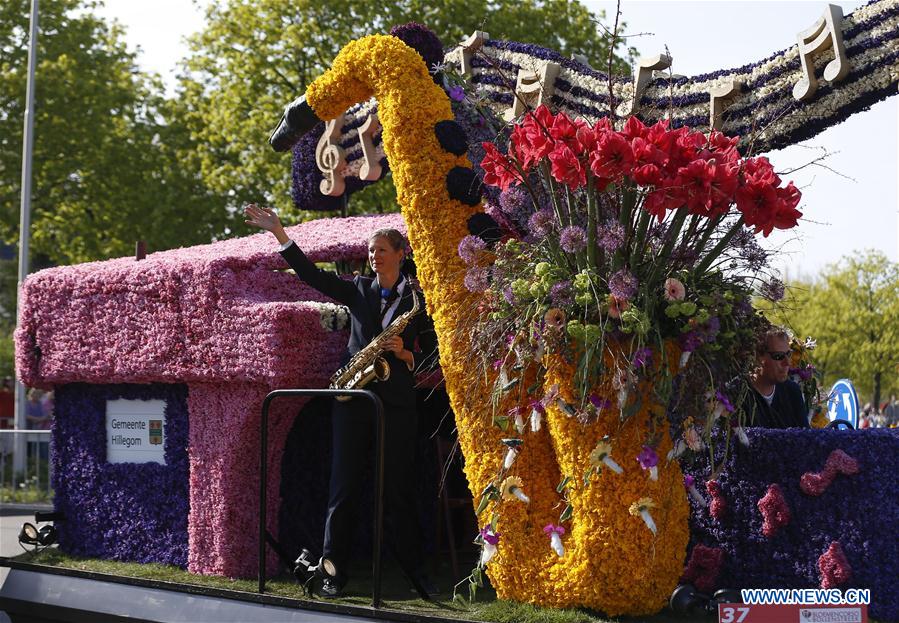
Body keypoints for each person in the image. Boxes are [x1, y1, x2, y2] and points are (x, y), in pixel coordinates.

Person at [245, 203, 438, 598]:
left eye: (381, 249)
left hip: (396, 403)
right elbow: (311, 276)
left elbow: (435, 352)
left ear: (401, 254)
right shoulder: (358, 288)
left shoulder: (420, 300)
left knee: (399, 487)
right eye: (371, 250)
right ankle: (333, 574)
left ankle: (414, 572)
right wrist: (281, 234)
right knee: (343, 489)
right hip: (352, 397)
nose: (374, 255)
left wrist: (406, 354)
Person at [745, 326, 809, 429]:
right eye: (778, 356)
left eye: (788, 354)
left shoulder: (792, 391)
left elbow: (807, 439)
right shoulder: (739, 395)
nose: (787, 363)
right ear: (757, 356)